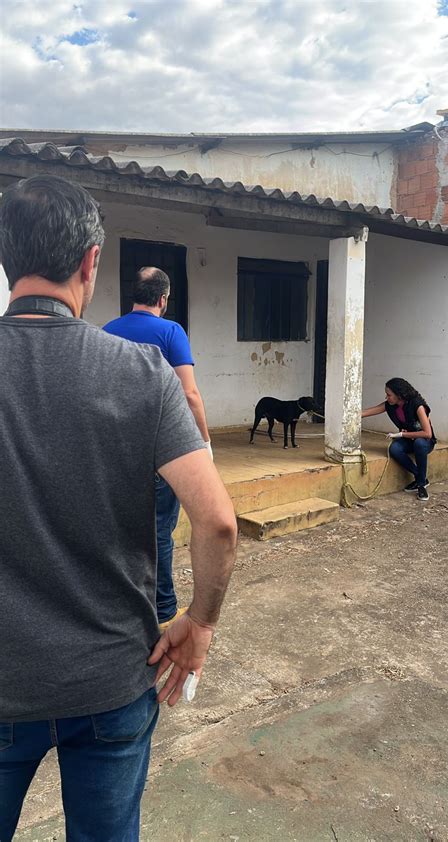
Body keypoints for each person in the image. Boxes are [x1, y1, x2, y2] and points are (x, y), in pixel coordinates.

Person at [0, 175, 237, 842]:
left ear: (7, 260)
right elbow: (218, 521)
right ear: (90, 262)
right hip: (112, 680)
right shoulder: (142, 372)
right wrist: (199, 621)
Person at [103, 268, 212, 633]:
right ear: (163, 299)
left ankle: (124, 596)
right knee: (161, 529)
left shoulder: (107, 331)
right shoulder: (170, 331)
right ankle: (163, 606)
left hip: (119, 449)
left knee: (125, 527)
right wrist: (205, 443)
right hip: (161, 451)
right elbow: (189, 393)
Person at [362, 377, 436, 501]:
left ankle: (421, 486)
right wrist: (348, 415)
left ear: (399, 395)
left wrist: (402, 435)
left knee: (419, 443)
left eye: (389, 395)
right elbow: (366, 412)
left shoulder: (417, 406)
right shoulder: (390, 405)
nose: (386, 397)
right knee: (394, 448)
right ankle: (420, 477)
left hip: (424, 441)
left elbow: (427, 433)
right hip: (408, 440)